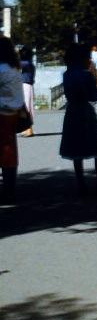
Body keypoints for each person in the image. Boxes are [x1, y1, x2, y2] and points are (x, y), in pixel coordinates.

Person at [59, 44, 97, 196]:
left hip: (72, 111)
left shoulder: (67, 74)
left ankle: (81, 183)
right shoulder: (86, 75)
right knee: (96, 146)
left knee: (76, 146)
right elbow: (95, 96)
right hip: (85, 111)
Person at [0, 37, 24, 204]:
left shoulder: (1, 69)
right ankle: (10, 189)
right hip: (13, 113)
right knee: (9, 152)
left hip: (1, 113)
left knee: (3, 152)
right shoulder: (14, 69)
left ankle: (7, 192)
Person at [18, 47, 35, 137]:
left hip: (26, 86)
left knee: (27, 107)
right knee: (28, 107)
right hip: (27, 86)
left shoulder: (25, 63)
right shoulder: (29, 63)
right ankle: (27, 128)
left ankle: (29, 129)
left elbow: (15, 65)